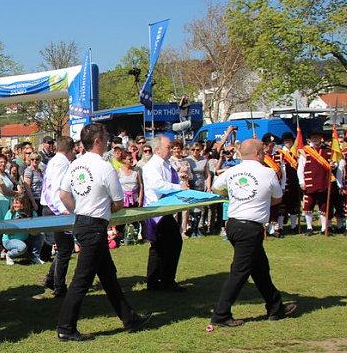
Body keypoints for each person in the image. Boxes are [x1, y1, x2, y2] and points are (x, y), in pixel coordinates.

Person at [56, 124, 152, 341]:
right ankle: (65, 327)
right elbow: (118, 202)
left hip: (82, 222)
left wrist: (80, 210)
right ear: (98, 141)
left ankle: (129, 318)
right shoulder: (104, 167)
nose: (109, 140)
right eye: (106, 137)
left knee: (108, 276)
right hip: (94, 226)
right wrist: (99, 210)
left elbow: (63, 195)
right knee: (82, 280)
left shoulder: (75, 164)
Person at [209, 140, 298, 327]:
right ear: (259, 154)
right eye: (264, 152)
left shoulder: (231, 171)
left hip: (233, 224)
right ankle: (220, 315)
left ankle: (275, 306)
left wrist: (234, 195)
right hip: (250, 228)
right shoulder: (267, 172)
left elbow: (216, 188)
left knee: (260, 269)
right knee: (239, 273)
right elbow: (277, 198)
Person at [141, 135, 187, 292]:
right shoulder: (152, 165)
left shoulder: (167, 164)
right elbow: (157, 185)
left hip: (165, 210)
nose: (171, 149)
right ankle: (157, 281)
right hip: (156, 212)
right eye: (168, 147)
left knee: (169, 244)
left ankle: (163, 279)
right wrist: (178, 187)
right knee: (160, 246)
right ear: (157, 149)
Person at [39, 136, 77, 299]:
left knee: (64, 248)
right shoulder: (62, 163)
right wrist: (62, 209)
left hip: (51, 207)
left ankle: (51, 279)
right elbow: (55, 189)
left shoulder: (54, 160)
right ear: (71, 149)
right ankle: (59, 286)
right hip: (55, 208)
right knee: (65, 249)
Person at [298, 130, 335, 235]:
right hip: (310, 183)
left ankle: (324, 228)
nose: (315, 139)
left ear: (321, 138)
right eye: (313, 137)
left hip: (323, 182)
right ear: (310, 138)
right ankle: (309, 227)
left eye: (317, 137)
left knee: (324, 206)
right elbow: (300, 168)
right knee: (308, 205)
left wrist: (333, 165)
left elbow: (333, 164)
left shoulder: (328, 150)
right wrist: (302, 181)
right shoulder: (305, 151)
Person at [2, 194, 44, 265]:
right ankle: (9, 255)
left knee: (41, 234)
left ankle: (35, 256)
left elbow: (35, 233)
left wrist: (27, 225)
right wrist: (15, 224)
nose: (15, 205)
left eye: (17, 203)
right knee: (22, 247)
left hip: (25, 238)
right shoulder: (10, 213)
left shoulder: (32, 214)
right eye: (14, 203)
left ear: (24, 204)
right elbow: (6, 232)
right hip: (9, 240)